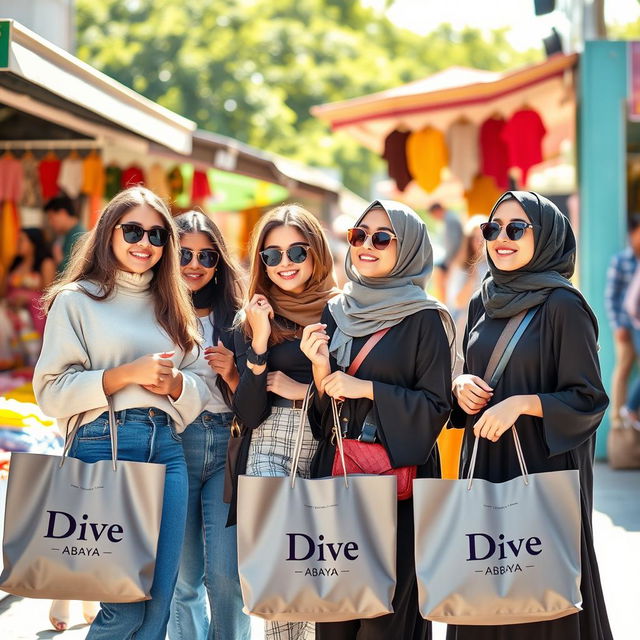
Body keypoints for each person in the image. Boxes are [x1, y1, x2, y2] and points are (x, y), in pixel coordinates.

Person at [33, 186, 209, 640]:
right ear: (109, 233)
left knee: (158, 605)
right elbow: (50, 392)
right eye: (133, 230)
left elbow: (199, 389)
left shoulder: (173, 304)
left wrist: (176, 386)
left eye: (156, 234)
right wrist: (124, 374)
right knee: (124, 608)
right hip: (103, 446)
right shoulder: (76, 299)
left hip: (167, 452)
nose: (144, 242)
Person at [450, 191, 612, 640]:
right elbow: (472, 369)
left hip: (541, 469)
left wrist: (522, 404)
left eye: (516, 229)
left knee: (542, 595)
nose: (501, 238)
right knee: (482, 591)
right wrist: (461, 385)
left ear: (546, 237)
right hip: (484, 464)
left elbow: (589, 398)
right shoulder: (485, 299)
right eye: (492, 228)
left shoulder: (564, 306)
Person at [300, 199, 454, 640]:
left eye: (382, 238)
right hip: (339, 476)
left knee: (386, 623)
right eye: (358, 235)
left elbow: (436, 407)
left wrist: (366, 389)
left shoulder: (426, 317)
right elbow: (322, 415)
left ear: (407, 249)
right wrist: (320, 372)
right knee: (334, 618)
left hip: (396, 490)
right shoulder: (336, 311)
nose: (367, 245)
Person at [232, 204, 339, 640]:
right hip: (268, 446)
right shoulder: (253, 318)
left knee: (317, 573)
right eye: (271, 255)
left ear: (316, 253)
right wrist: (259, 341)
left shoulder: (344, 314)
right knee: (280, 570)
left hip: (326, 448)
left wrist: (304, 391)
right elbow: (249, 412)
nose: (285, 264)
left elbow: (353, 391)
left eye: (296, 251)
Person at [168, 210, 250, 640]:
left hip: (226, 446)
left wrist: (235, 373)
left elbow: (256, 403)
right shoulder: (152, 313)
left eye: (206, 256)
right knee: (182, 582)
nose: (194, 265)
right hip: (172, 446)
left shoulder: (235, 318)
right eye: (183, 254)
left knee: (226, 577)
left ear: (219, 263)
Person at [605, 212, 640, 427]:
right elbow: (612, 296)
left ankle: (631, 413)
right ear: (632, 233)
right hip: (625, 326)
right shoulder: (621, 260)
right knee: (623, 370)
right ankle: (618, 419)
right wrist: (617, 324)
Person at [446, 214, 488, 352]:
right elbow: (458, 302)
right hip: (465, 324)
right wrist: (472, 274)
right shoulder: (460, 266)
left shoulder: (496, 265)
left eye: (483, 237)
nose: (480, 242)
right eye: (475, 238)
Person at [2, 227, 55, 336]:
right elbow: (3, 292)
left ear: (33, 243)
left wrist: (27, 299)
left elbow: (49, 295)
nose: (17, 243)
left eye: (21, 240)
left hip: (33, 317)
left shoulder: (45, 263)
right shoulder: (15, 263)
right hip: (10, 311)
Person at [429, 202, 463, 301]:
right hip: (452, 257)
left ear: (437, 211)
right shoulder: (450, 218)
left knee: (438, 276)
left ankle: (442, 303)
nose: (435, 218)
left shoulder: (450, 220)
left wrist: (448, 263)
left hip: (454, 258)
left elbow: (453, 243)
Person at [44, 195, 86, 274]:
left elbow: (73, 272)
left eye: (51, 217)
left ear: (62, 213)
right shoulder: (67, 234)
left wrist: (59, 258)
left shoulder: (79, 235)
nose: (50, 223)